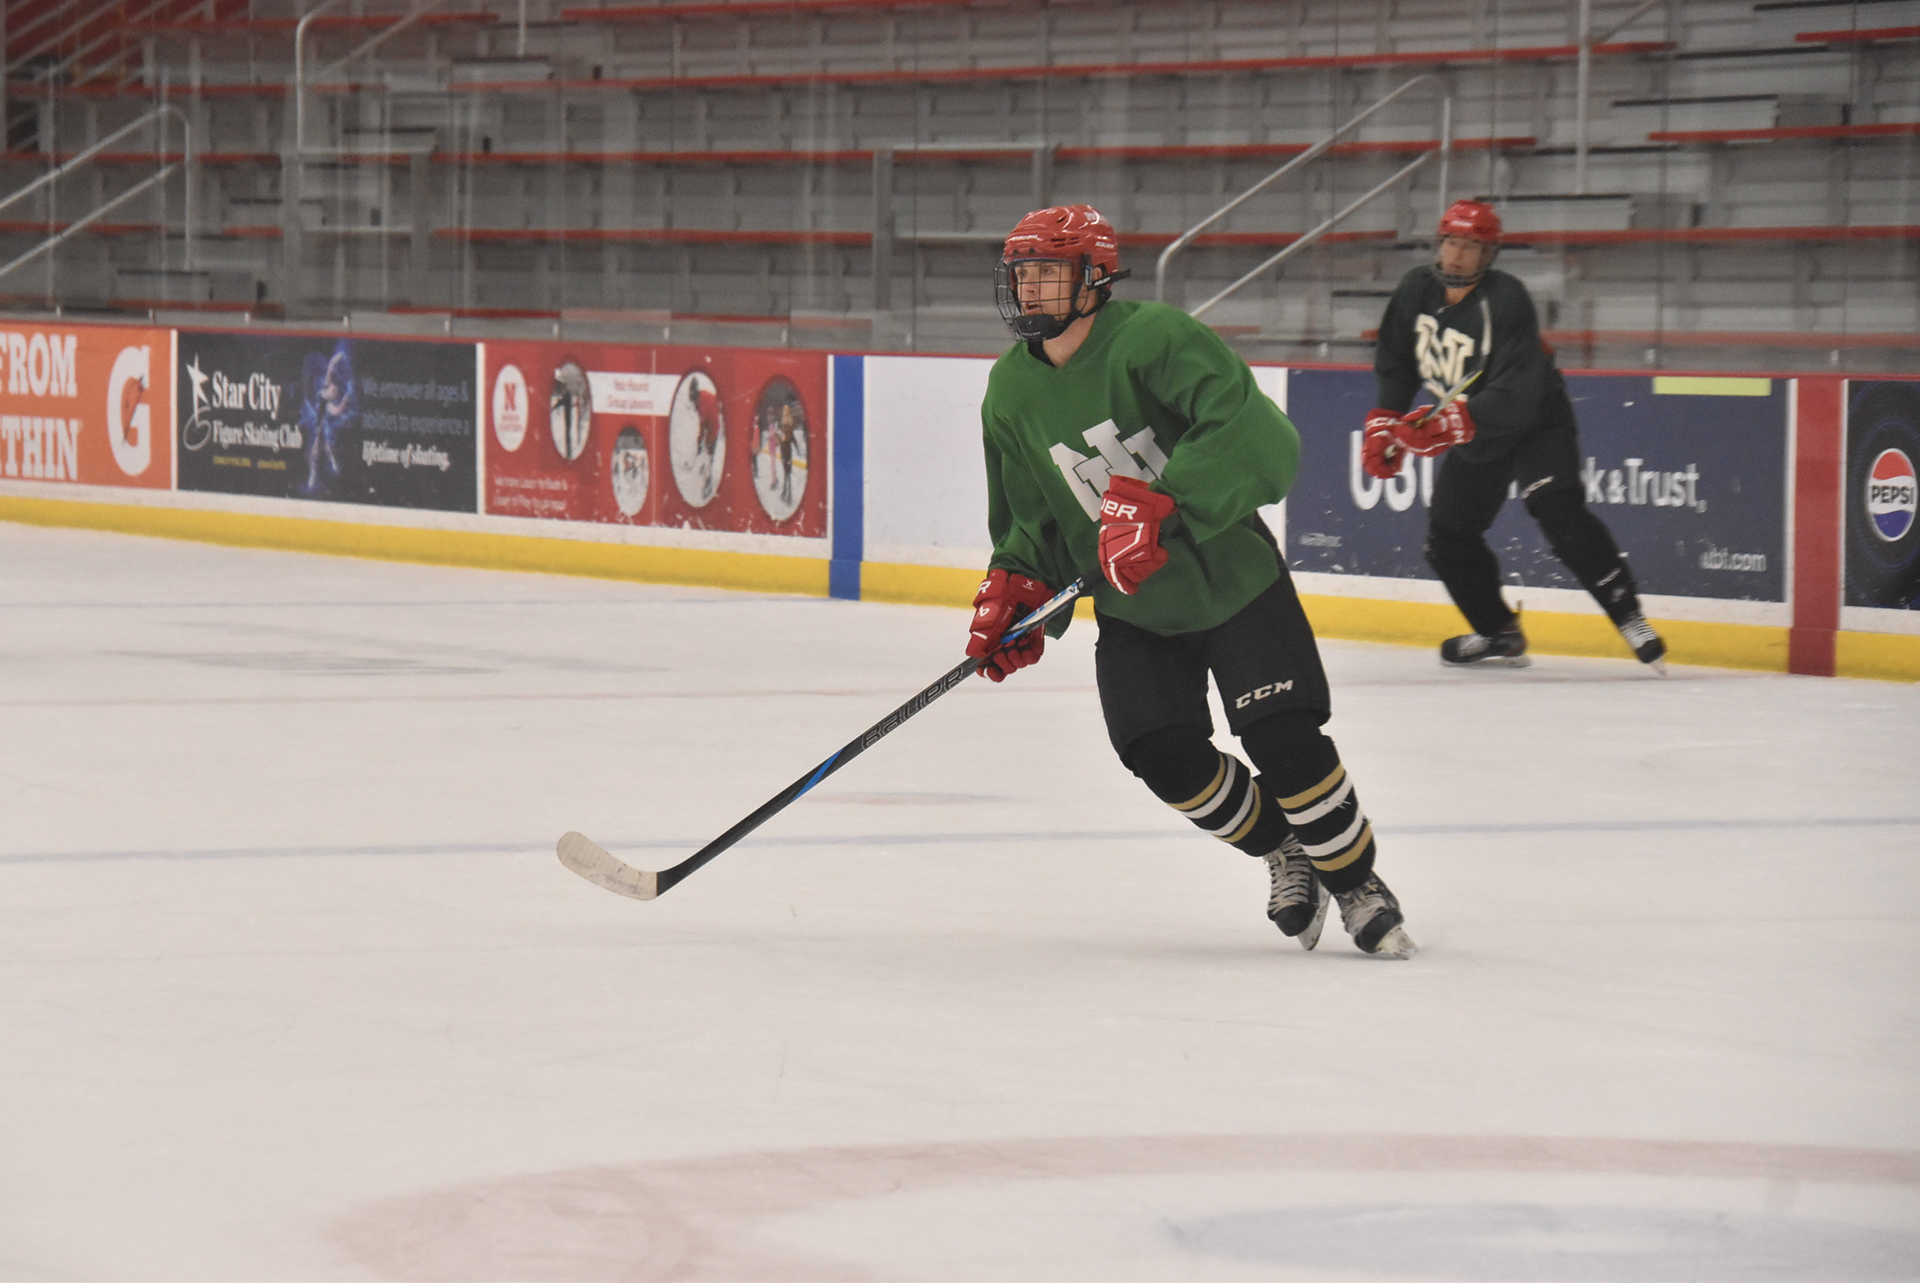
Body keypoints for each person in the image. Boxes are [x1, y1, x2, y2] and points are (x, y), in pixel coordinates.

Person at [965, 204, 1417, 959]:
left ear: (1094, 278)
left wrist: (1165, 500)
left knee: (1283, 738)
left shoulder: (1155, 339)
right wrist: (1017, 588)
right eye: (1022, 274)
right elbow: (1030, 516)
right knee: (1161, 753)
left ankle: (1356, 882)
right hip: (1134, 605)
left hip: (1230, 577)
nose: (1030, 289)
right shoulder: (1009, 391)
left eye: (1048, 272)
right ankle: (1285, 849)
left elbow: (1251, 431)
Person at [1366, 198, 1666, 670]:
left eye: (1471, 246)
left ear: (1489, 255)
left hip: (1534, 421)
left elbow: (1516, 394)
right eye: (1451, 243)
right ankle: (1498, 632)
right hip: (1477, 432)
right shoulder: (1415, 289)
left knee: (1557, 509)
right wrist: (1384, 421)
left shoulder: (1505, 299)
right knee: (1448, 538)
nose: (1457, 255)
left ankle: (1628, 615)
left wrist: (1445, 425)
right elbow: (1398, 361)